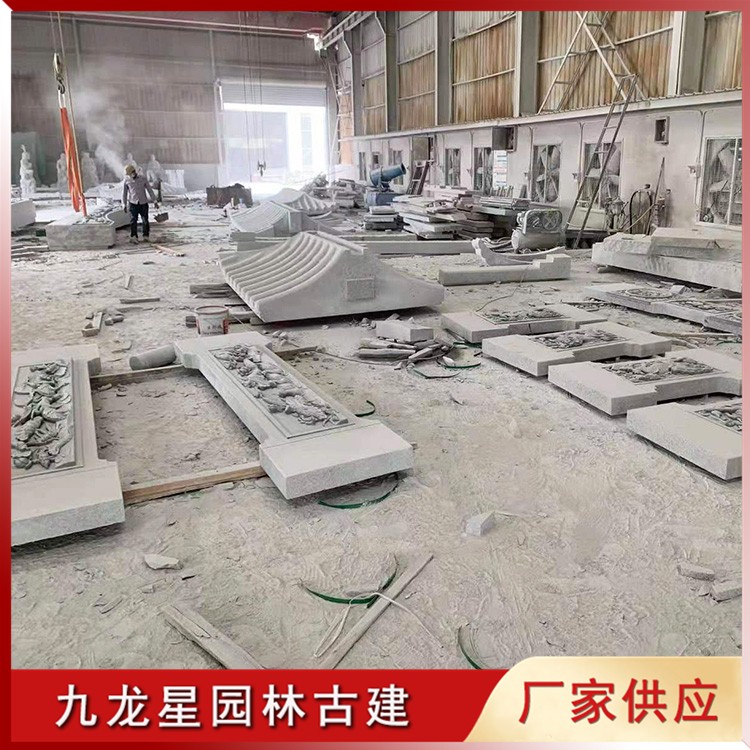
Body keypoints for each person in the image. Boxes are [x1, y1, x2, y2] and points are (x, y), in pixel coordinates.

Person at [122, 163, 158, 243]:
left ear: (134, 172)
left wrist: (155, 201)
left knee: (145, 220)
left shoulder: (143, 179)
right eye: (128, 175)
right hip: (132, 203)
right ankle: (134, 236)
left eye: (130, 174)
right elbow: (124, 193)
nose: (129, 176)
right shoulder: (126, 181)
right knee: (133, 220)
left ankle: (146, 236)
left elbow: (149, 190)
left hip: (143, 203)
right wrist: (124, 204)